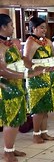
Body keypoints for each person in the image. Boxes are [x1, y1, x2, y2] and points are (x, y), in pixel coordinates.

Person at [0, 13, 44, 162]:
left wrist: (36, 67)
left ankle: (11, 148)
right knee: (11, 120)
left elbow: (22, 61)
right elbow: (2, 70)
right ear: (3, 27)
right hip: (6, 88)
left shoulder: (10, 43)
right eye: (11, 25)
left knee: (18, 119)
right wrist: (27, 75)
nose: (13, 28)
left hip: (17, 85)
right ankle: (7, 153)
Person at [23, 17, 54, 144]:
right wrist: (38, 68)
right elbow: (26, 61)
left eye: (45, 27)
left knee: (46, 107)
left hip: (49, 77)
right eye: (41, 27)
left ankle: (44, 133)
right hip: (36, 78)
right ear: (34, 28)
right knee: (38, 108)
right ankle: (36, 134)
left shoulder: (48, 41)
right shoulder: (30, 42)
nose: (44, 30)